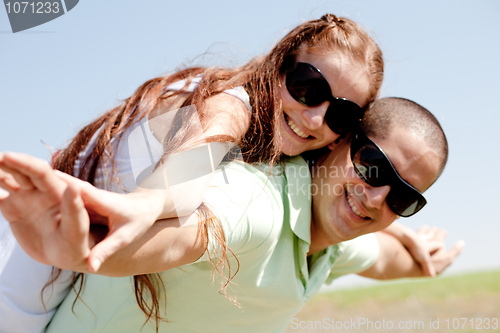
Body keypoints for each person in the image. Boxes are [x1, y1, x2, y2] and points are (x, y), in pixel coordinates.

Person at [0, 98, 463, 332]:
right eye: (373, 166)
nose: (377, 198)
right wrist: (86, 249)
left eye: (403, 197)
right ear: (340, 141)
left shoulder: (330, 241)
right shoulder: (257, 201)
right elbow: (192, 231)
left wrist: (423, 256)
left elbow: (381, 258)